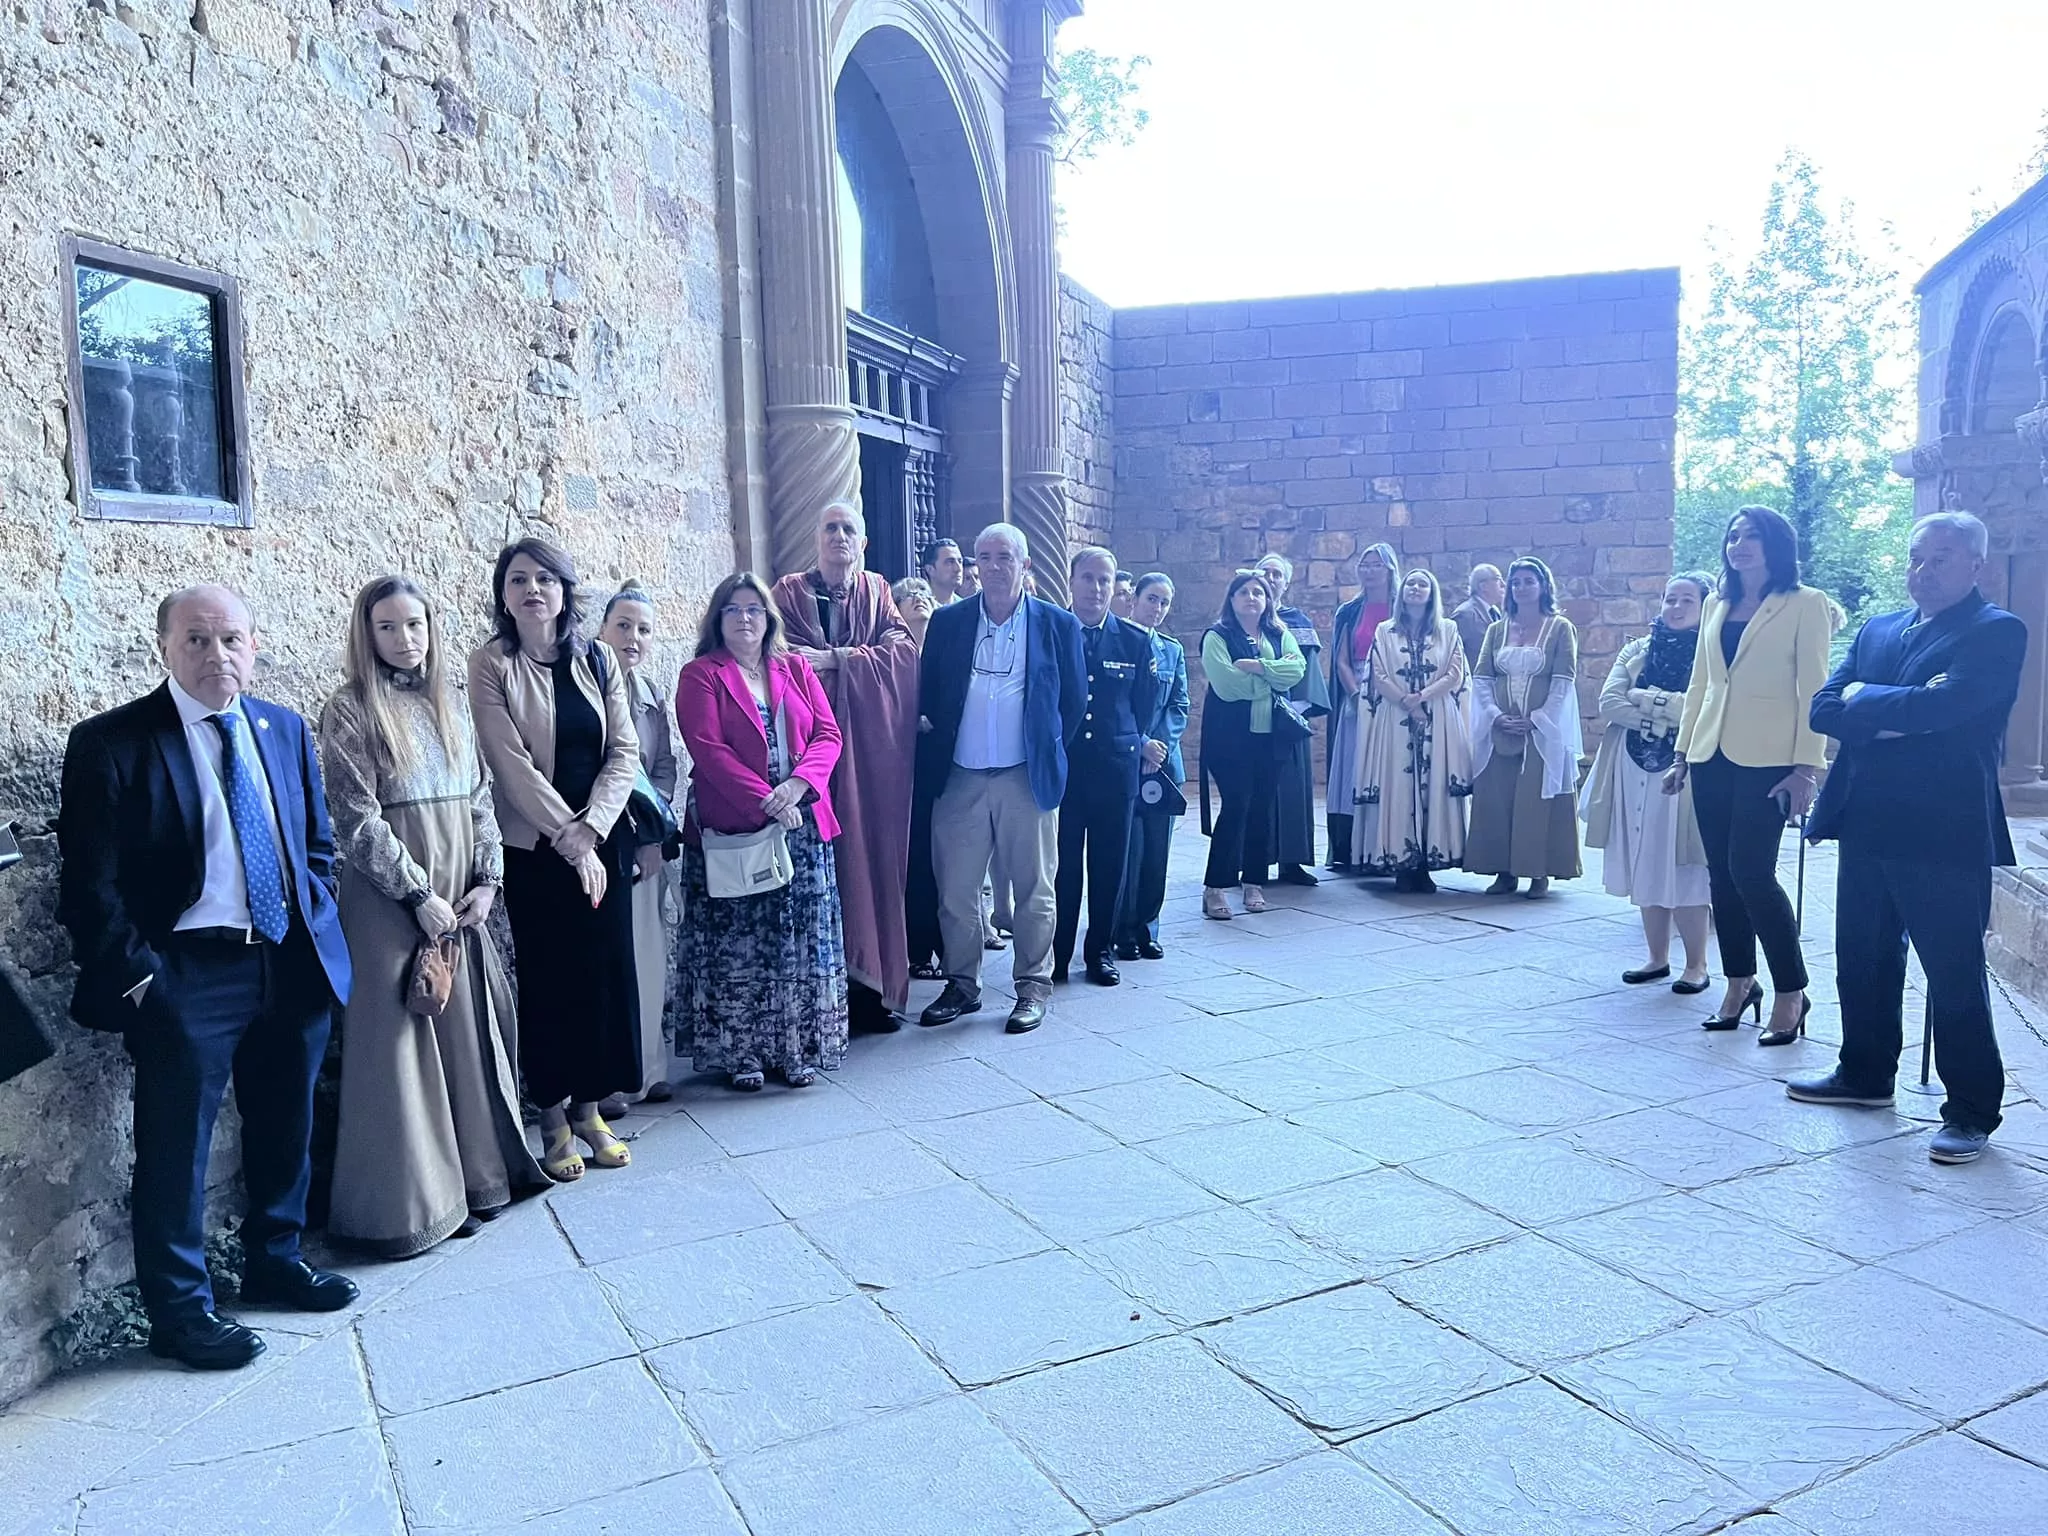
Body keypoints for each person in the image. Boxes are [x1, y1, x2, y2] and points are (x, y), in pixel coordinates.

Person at [56, 585, 357, 1371]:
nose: (216, 655)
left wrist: (311, 918)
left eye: (231, 639)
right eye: (196, 640)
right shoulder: (113, 744)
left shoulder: (283, 729)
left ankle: (275, 1258)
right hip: (186, 973)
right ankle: (182, 1313)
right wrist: (145, 982)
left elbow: (315, 846)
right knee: (175, 1146)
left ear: (254, 645)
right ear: (164, 647)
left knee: (284, 1120)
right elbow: (91, 885)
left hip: (285, 958)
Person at [319, 577, 547, 1258]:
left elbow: (480, 798)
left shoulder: (448, 704)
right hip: (394, 902)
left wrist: (488, 880)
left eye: (414, 624)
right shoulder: (350, 711)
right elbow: (355, 820)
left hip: (459, 893)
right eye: (387, 627)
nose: (404, 639)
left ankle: (476, 1181)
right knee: (403, 1048)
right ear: (367, 634)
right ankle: (419, 1204)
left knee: (462, 1038)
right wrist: (417, 895)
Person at [1790, 512, 2028, 1163]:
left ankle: (1972, 1110)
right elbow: (1824, 706)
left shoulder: (1996, 631)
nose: (1923, 571)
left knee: (1952, 975)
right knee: (1862, 958)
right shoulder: (1878, 628)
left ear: (1976, 565)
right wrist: (1895, 710)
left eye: (1941, 559)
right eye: (1916, 558)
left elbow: (1949, 710)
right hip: (1866, 820)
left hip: (1944, 830)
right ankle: (1865, 1075)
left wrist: (1873, 706)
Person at [469, 539, 641, 1180]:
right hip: (537, 851)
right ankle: (552, 1115)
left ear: (565, 591)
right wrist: (569, 839)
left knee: (599, 979)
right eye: (519, 580)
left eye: (545, 578)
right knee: (549, 983)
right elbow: (508, 763)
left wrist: (593, 829)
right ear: (504, 595)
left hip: (602, 842)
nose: (533, 590)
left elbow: (624, 751)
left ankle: (591, 1110)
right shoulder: (490, 665)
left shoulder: (597, 658)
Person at [674, 574, 849, 1090]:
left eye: (754, 609)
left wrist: (798, 786)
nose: (744, 618)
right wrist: (767, 802)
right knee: (741, 944)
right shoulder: (701, 674)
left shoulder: (795, 667)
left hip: (802, 824)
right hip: (739, 828)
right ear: (718, 619)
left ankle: (797, 1049)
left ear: (769, 617)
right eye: (733, 609)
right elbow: (708, 750)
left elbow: (827, 733)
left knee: (797, 941)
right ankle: (742, 1053)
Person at [1665, 507, 1833, 1045]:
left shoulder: (1807, 605)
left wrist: (1808, 767)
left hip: (1770, 760)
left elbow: (1814, 688)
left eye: (1752, 537)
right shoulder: (1715, 603)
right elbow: (1701, 686)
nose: (1739, 545)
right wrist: (1682, 754)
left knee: (1753, 874)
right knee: (1721, 875)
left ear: (1775, 545)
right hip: (1710, 754)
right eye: (1733, 536)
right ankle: (1740, 983)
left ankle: (1791, 991)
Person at [915, 523, 1086, 1034]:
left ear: (1025, 564)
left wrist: (1040, 749)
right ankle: (962, 983)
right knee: (957, 889)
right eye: (982, 556)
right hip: (961, 777)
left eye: (1004, 556)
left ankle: (1032, 984)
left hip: (1024, 777)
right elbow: (931, 692)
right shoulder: (949, 623)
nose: (992, 566)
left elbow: (1072, 704)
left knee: (1035, 887)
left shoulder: (1058, 625)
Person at [773, 503, 920, 1031]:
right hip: (804, 751)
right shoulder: (787, 594)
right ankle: (816, 1000)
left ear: (864, 543)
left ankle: (870, 991)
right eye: (830, 527)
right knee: (814, 868)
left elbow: (902, 655)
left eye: (848, 529)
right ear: (815, 537)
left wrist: (838, 661)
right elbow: (775, 656)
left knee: (867, 855)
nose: (839, 535)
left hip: (866, 755)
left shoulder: (878, 593)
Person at [1583, 574, 1715, 993]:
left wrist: (1645, 701)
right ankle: (1657, 957)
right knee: (1644, 854)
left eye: (1687, 600)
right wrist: (1658, 716)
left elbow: (1702, 708)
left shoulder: (1714, 654)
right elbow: (1609, 702)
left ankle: (1696, 964)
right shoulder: (1636, 649)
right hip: (1632, 764)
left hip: (1686, 767)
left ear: (1705, 606)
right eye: (1669, 599)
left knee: (1682, 861)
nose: (1675, 607)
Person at [1052, 547, 1160, 986]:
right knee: (1063, 868)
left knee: (1109, 865)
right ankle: (1057, 953)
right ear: (1072, 581)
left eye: (1104, 580)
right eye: (1088, 578)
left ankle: (1098, 950)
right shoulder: (1054, 631)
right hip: (1066, 770)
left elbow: (1145, 705)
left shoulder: (1135, 640)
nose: (1096, 589)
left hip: (1116, 772)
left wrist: (1130, 746)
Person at [601, 583, 683, 1102]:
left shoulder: (653, 699)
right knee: (611, 963)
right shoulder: (583, 684)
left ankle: (650, 1070)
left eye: (643, 629)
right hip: (603, 843)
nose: (633, 637)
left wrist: (652, 834)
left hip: (645, 847)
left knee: (649, 959)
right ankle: (609, 1080)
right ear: (603, 628)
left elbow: (664, 770)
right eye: (624, 625)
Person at [1466, 556, 1583, 898]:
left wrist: (1538, 719)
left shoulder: (1560, 628)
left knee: (1535, 798)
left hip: (1540, 728)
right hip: (1501, 725)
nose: (1521, 588)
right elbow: (1483, 676)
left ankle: (1537, 871)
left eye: (1529, 581)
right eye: (1515, 582)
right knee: (1497, 797)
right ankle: (1503, 871)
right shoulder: (1496, 629)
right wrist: (1494, 715)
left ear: (1543, 585)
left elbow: (1564, 679)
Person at [1353, 568, 1473, 893]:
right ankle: (1402, 863)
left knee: (1433, 787)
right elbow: (1378, 674)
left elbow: (1455, 673)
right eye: (1410, 583)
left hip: (1438, 717)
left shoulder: (1448, 629)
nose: (1416, 588)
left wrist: (1421, 698)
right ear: (1402, 591)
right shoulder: (1384, 631)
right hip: (1395, 718)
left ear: (1432, 592)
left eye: (1423, 584)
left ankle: (1426, 864)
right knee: (1400, 786)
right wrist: (1408, 704)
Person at [1199, 570, 1308, 920]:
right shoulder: (1217, 635)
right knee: (1236, 804)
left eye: (1258, 592)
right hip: (1228, 737)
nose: (1251, 597)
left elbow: (1298, 670)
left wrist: (1256, 666)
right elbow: (1227, 685)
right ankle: (1215, 886)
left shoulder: (1279, 633)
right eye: (1243, 592)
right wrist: (1270, 677)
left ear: (1267, 600)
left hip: (1270, 736)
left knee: (1262, 806)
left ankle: (1254, 882)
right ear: (1232, 599)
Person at [1257, 553, 1331, 888]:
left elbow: (1310, 676)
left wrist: (1292, 712)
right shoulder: (1245, 618)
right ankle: (1251, 859)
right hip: (1251, 719)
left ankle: (1291, 862)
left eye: (1277, 574)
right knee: (1253, 791)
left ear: (1286, 582)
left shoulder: (1297, 622)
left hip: (1288, 720)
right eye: (1265, 573)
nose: (1270, 578)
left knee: (1290, 791)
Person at [1326, 544, 1399, 869]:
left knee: (1391, 770)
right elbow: (1341, 660)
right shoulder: (1350, 610)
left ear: (1389, 569)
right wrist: (1355, 695)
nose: (1369, 570)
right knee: (1354, 769)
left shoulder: (1404, 608)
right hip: (1357, 695)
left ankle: (1387, 847)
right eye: (1364, 564)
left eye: (1376, 565)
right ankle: (1351, 849)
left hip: (1396, 696)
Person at [1451, 564, 1505, 675]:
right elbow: (1453, 657)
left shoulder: (1495, 611)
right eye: (1498, 579)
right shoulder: (1464, 615)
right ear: (1483, 586)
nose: (1504, 584)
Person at [892, 577, 938, 648]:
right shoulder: (892, 648)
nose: (918, 599)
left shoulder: (947, 643)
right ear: (896, 607)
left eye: (923, 594)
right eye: (909, 595)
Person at [921, 538, 964, 606]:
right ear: (930, 570)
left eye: (960, 561)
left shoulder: (965, 607)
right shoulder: (920, 606)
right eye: (950, 562)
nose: (958, 569)